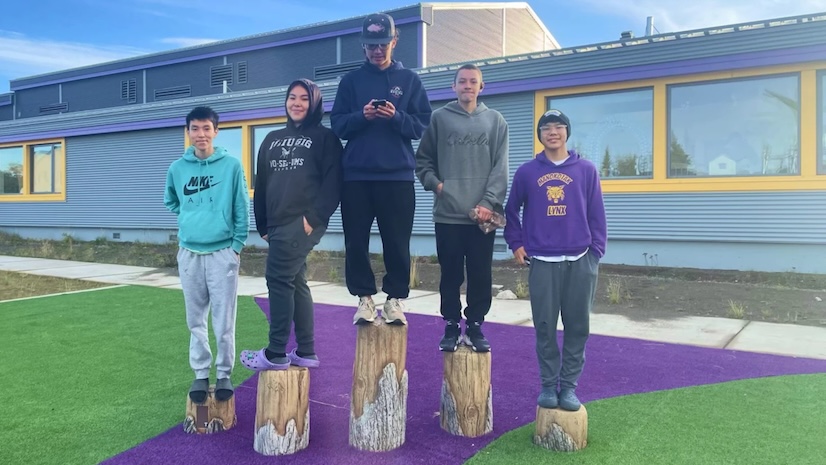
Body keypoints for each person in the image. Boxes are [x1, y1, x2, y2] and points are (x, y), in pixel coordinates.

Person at [331, 12, 432, 326]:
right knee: (356, 241)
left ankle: (394, 300)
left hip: (397, 177)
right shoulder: (350, 81)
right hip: (357, 177)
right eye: (371, 44)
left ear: (394, 41)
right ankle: (364, 299)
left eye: (383, 43)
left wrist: (396, 117)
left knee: (397, 241)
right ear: (363, 45)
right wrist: (362, 116)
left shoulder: (410, 80)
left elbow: (421, 126)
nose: (377, 50)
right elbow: (337, 125)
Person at [503, 109, 607, 412]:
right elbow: (512, 212)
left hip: (580, 260)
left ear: (567, 132)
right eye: (547, 128)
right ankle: (549, 385)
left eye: (559, 127)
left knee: (577, 327)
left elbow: (597, 214)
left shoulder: (586, 170)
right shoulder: (527, 172)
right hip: (542, 262)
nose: (553, 132)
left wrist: (595, 252)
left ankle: (570, 387)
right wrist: (517, 243)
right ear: (540, 135)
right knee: (545, 327)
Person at [240, 79, 342, 371]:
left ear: (315, 103)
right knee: (296, 283)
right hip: (276, 225)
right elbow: (262, 183)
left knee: (278, 281)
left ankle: (275, 353)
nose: (297, 103)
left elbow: (334, 183)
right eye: (292, 97)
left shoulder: (326, 138)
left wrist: (313, 218)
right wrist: (262, 225)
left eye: (304, 99)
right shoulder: (271, 138)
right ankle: (306, 351)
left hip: (303, 222)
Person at [415, 64, 508, 353]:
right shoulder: (439, 119)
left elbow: (500, 169)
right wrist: (439, 186)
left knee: (481, 273)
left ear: (482, 87)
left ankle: (476, 324)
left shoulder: (495, 122)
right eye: (462, 81)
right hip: (448, 216)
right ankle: (452, 324)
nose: (467, 86)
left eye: (473, 82)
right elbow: (423, 162)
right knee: (450, 274)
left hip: (482, 217)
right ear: (453, 86)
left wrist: (487, 203)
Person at [164, 106, 250, 403]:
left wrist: (236, 245)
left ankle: (224, 372)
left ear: (216, 131)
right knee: (195, 318)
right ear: (188, 131)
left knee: (224, 319)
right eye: (195, 128)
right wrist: (195, 217)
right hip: (189, 252)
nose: (201, 134)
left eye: (206, 128)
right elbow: (172, 201)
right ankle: (201, 374)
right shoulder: (177, 168)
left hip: (222, 252)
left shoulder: (231, 166)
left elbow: (241, 206)